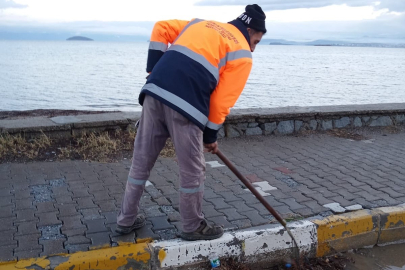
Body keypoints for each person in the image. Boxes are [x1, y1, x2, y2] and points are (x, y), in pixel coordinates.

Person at [116, 4, 266, 241]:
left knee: (141, 162)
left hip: (154, 93)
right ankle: (192, 225)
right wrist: (210, 137)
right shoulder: (242, 53)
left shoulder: (200, 23)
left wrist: (153, 70)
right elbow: (220, 103)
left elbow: (161, 27)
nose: (254, 49)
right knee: (193, 170)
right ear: (249, 31)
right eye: (256, 41)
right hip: (186, 106)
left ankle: (126, 220)